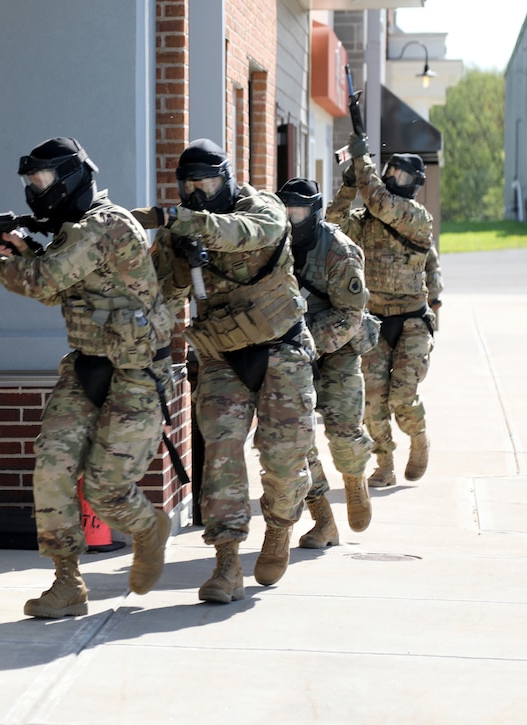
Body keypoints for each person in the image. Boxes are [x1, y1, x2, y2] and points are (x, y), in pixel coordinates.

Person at [0, 137, 176, 619]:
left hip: (136, 370)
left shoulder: (103, 225)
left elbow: (44, 284)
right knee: (52, 464)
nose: (34, 189)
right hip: (88, 362)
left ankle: (147, 528)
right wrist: (19, 248)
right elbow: (59, 287)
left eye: (41, 180)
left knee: (105, 488)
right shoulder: (71, 230)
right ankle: (67, 582)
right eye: (30, 182)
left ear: (71, 176)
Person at [134, 138, 316, 602]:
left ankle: (279, 527)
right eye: (188, 185)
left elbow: (249, 233)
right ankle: (227, 563)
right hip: (220, 357)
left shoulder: (263, 208)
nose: (197, 191)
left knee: (283, 456)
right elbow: (160, 296)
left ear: (227, 178)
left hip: (281, 348)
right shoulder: (179, 232)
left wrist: (189, 224)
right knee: (220, 452)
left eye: (207, 182)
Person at [327, 136, 436, 489]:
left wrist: (364, 165)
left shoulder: (417, 218)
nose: (393, 179)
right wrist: (348, 186)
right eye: (390, 171)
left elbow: (380, 201)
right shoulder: (367, 219)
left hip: (411, 319)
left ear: (415, 186)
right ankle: (384, 462)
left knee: (403, 396)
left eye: (402, 176)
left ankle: (418, 437)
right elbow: (333, 225)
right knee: (373, 397)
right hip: (375, 318)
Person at [276, 178, 377, 548]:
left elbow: (351, 315)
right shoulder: (273, 242)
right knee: (295, 439)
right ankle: (323, 520)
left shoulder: (339, 249)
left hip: (338, 347)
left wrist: (310, 343)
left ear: (314, 212)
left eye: (298, 211)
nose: (290, 218)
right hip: (289, 350)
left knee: (344, 430)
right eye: (285, 210)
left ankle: (354, 481)